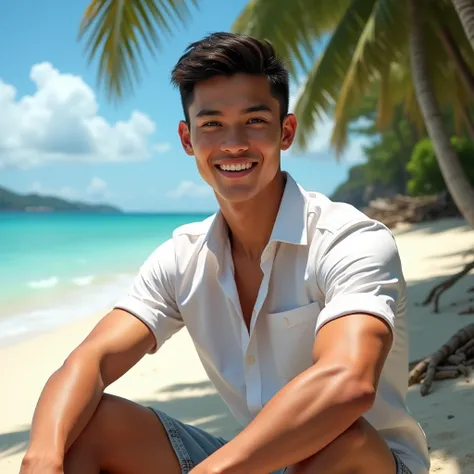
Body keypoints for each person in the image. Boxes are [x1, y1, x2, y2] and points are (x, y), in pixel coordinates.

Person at [20, 32, 430, 474]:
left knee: (337, 436)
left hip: (365, 463)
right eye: (211, 124)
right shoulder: (184, 258)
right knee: (85, 423)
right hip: (259, 464)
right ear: (187, 138)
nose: (233, 143)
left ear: (285, 131)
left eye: (254, 120)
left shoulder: (349, 239)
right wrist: (42, 458)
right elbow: (90, 360)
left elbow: (348, 383)